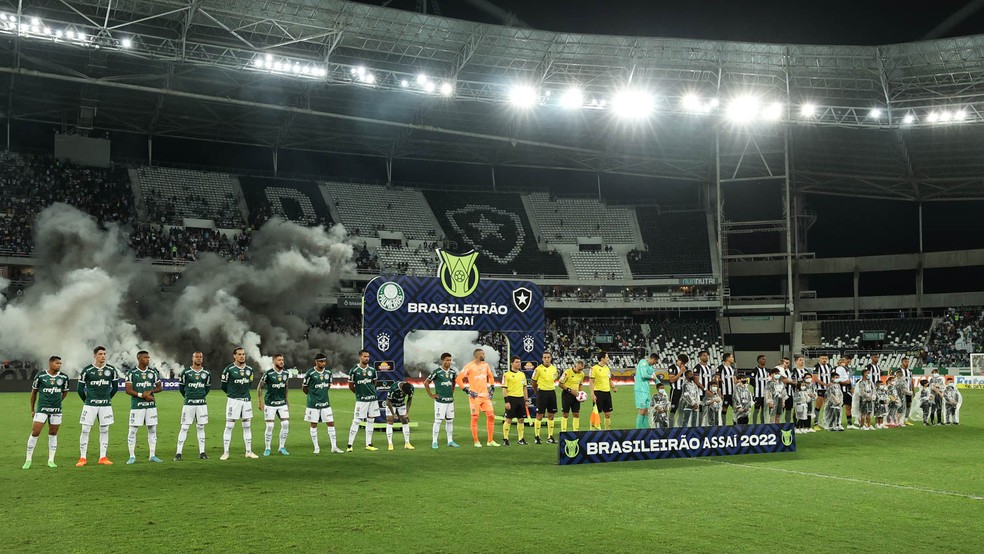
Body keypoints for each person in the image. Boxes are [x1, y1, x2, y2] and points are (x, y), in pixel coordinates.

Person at [24, 356, 70, 469]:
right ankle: (28, 460)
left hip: (56, 410)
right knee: (35, 432)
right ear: (50, 364)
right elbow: (33, 393)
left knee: (53, 434)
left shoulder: (64, 377)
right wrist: (32, 409)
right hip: (42, 409)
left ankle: (51, 460)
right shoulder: (41, 376)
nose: (59, 365)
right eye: (57, 363)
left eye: (60, 363)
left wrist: (57, 402)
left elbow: (64, 392)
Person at [77, 346, 119, 467]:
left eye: (105, 354)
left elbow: (115, 388)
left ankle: (103, 457)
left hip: (105, 405)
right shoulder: (87, 370)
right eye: (100, 354)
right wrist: (88, 401)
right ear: (95, 356)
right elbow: (80, 389)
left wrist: (107, 399)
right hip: (90, 405)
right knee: (85, 429)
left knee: (105, 429)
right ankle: (82, 458)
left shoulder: (111, 370)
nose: (103, 356)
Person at [124, 350, 164, 464]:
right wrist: (143, 395)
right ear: (139, 359)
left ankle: (152, 455)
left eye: (148, 357)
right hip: (137, 406)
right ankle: (132, 456)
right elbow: (128, 390)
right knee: (133, 430)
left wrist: (150, 391)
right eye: (145, 357)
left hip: (151, 406)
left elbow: (160, 387)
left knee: (152, 429)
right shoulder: (131, 373)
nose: (148, 359)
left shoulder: (153, 372)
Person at [455, 348, 500, 447]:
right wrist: (467, 390)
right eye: (483, 354)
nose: (485, 356)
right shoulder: (469, 366)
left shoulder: (486, 365)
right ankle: (476, 441)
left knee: (491, 416)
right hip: (474, 396)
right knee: (475, 417)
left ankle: (490, 440)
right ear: (477, 355)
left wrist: (492, 388)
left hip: (485, 396)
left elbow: (490, 376)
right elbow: (458, 379)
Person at [221, 347, 258, 460]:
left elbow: (249, 383)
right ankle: (226, 452)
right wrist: (233, 394)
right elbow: (223, 386)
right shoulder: (229, 369)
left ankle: (248, 451)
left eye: (243, 354)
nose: (242, 356)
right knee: (229, 426)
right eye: (239, 354)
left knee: (247, 426)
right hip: (233, 401)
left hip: (246, 401)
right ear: (234, 356)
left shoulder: (250, 370)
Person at [302, 353, 343, 454]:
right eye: (321, 361)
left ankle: (334, 447)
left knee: (331, 423)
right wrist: (312, 396)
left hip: (325, 403)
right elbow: (304, 387)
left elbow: (328, 386)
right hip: (313, 404)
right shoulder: (310, 373)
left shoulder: (328, 373)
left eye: (324, 361)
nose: (323, 363)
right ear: (316, 362)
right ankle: (316, 447)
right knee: (314, 424)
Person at [175, 351, 210, 461]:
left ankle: (202, 452)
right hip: (189, 404)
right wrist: (188, 397)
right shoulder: (186, 372)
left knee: (201, 427)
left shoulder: (207, 373)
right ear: (192, 358)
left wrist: (201, 396)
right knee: (184, 427)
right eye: (197, 357)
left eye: (201, 357)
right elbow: (181, 388)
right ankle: (178, 453)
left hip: (201, 404)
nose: (199, 359)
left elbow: (207, 388)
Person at [424, 353, 460, 449]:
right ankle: (434, 441)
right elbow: (426, 382)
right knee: (438, 421)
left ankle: (450, 441)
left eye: (450, 360)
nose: (449, 362)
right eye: (447, 360)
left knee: (450, 421)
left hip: (450, 401)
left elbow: (454, 381)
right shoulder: (437, 372)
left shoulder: (452, 372)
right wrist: (431, 395)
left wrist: (452, 391)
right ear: (442, 360)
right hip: (440, 401)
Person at [257, 354, 290, 456]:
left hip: (282, 403)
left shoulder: (286, 373)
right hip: (270, 404)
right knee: (270, 426)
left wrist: (287, 400)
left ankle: (282, 447)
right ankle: (267, 448)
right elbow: (260, 387)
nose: (281, 362)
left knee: (285, 424)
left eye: (282, 360)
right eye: (279, 360)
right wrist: (260, 401)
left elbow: (286, 386)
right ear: (274, 362)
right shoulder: (269, 374)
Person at [347, 350, 379, 452]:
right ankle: (350, 445)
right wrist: (359, 394)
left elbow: (375, 382)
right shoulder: (354, 370)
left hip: (372, 399)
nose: (367, 358)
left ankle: (368, 444)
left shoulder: (372, 370)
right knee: (356, 421)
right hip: (361, 400)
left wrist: (371, 392)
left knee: (371, 420)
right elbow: (351, 386)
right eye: (365, 356)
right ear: (360, 357)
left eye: (368, 357)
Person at [531, 351, 559, 444]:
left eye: (548, 357)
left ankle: (550, 437)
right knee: (539, 415)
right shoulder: (538, 369)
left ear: (551, 358)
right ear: (542, 359)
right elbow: (533, 382)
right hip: (542, 393)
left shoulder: (554, 369)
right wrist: (536, 392)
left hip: (551, 392)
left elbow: (554, 379)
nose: (546, 359)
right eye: (545, 357)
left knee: (551, 415)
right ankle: (537, 437)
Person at [502, 356, 529, 446]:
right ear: (512, 363)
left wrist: (526, 399)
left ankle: (520, 439)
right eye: (517, 362)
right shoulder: (507, 375)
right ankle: (505, 439)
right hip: (511, 398)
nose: (519, 364)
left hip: (520, 399)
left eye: (519, 362)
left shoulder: (522, 374)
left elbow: (524, 388)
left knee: (521, 419)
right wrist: (506, 401)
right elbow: (504, 389)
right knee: (508, 419)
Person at [385, 379, 415, 450]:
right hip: (391, 404)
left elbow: (409, 400)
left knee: (405, 420)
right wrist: (393, 413)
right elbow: (388, 401)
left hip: (401, 404)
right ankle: (390, 444)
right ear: (401, 388)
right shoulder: (394, 388)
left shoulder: (411, 388)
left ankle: (407, 443)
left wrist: (407, 412)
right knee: (390, 420)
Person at [589, 352, 616, 430]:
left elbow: (609, 379)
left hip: (607, 392)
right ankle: (592, 431)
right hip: (598, 392)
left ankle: (607, 431)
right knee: (596, 412)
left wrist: (613, 386)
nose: (608, 359)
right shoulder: (594, 368)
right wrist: (592, 394)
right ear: (602, 358)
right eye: (607, 357)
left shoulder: (607, 368)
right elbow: (591, 382)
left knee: (607, 413)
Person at [557, 360, 586, 433]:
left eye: (582, 369)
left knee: (576, 414)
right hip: (567, 395)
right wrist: (570, 390)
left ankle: (575, 432)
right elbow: (560, 384)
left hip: (576, 396)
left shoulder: (582, 374)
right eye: (579, 369)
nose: (580, 371)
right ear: (575, 366)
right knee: (565, 414)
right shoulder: (567, 372)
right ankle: (564, 431)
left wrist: (581, 394)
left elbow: (580, 384)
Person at [634, 353, 659, 429]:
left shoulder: (651, 367)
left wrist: (660, 386)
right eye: (656, 361)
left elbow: (655, 378)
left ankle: (645, 430)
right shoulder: (643, 362)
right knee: (642, 411)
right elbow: (644, 375)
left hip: (646, 390)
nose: (655, 363)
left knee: (646, 411)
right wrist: (652, 377)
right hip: (640, 390)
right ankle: (638, 430)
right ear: (653, 359)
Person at [666, 354, 689, 427]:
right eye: (681, 363)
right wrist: (681, 372)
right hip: (675, 391)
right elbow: (671, 379)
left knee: (682, 409)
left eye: (684, 363)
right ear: (678, 360)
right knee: (673, 410)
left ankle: (680, 427)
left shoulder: (686, 368)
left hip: (683, 392)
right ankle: (670, 427)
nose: (682, 365)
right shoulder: (672, 368)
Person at [812, 354, 832, 430]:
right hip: (820, 389)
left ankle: (827, 422)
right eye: (823, 358)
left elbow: (831, 377)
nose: (824, 360)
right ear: (819, 359)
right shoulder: (816, 366)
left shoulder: (829, 366)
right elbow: (815, 379)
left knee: (828, 406)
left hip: (828, 390)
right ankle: (815, 423)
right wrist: (825, 384)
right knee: (818, 406)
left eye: (826, 358)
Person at [716, 353, 736, 425]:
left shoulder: (732, 368)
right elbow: (716, 380)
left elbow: (735, 380)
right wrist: (719, 392)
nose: (733, 358)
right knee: (724, 409)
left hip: (732, 393)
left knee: (736, 409)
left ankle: (735, 424)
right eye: (732, 357)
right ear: (727, 358)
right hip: (724, 393)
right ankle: (724, 425)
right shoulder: (720, 368)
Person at [752, 355, 769, 425]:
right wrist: (757, 388)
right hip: (758, 394)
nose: (765, 360)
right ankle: (754, 425)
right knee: (756, 410)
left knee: (763, 411)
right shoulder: (755, 370)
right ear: (759, 360)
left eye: (765, 359)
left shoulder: (767, 370)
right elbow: (751, 381)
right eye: (763, 359)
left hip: (765, 395)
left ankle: (762, 425)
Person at [898, 358, 914, 426]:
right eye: (905, 362)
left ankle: (905, 420)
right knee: (900, 406)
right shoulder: (898, 371)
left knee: (908, 405)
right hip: (900, 392)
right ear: (902, 362)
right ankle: (898, 420)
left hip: (908, 391)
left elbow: (911, 381)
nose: (907, 363)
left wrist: (913, 391)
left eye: (908, 362)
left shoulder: (909, 371)